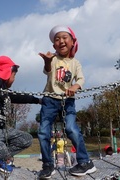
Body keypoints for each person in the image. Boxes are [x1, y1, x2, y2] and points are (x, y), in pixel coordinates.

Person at [37, 25, 96, 179]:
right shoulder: (53, 59)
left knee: (71, 128)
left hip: (67, 101)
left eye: (64, 38)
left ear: (72, 42)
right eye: (57, 39)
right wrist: (47, 61)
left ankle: (84, 161)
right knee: (43, 132)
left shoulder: (75, 63)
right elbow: (48, 71)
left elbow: (81, 78)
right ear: (53, 45)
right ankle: (47, 165)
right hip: (49, 100)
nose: (61, 41)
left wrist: (75, 86)